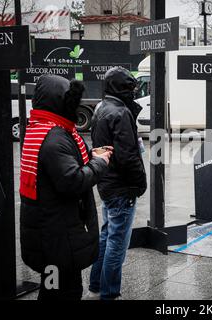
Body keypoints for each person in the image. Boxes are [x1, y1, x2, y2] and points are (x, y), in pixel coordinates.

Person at [19, 75, 113, 300]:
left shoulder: (41, 129)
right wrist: (100, 163)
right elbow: (73, 181)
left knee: (52, 287)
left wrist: (91, 156)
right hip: (57, 236)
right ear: (58, 101)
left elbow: (58, 168)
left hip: (48, 231)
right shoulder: (55, 137)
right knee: (65, 291)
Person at [87, 67, 147, 300]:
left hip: (107, 182)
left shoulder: (102, 107)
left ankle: (95, 286)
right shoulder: (120, 112)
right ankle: (110, 294)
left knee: (107, 235)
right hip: (121, 186)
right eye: (130, 88)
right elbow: (128, 155)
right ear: (123, 88)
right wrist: (140, 182)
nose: (133, 92)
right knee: (117, 243)